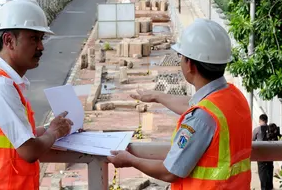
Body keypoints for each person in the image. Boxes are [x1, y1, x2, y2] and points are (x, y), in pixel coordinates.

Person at [107, 19, 253, 189]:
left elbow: (169, 171)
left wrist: (130, 160)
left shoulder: (202, 117)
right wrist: (157, 96)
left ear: (190, 64)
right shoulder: (233, 96)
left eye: (181, 56)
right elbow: (195, 106)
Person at [0, 0, 75, 190]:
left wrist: (51, 128)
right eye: (34, 39)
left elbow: (17, 137)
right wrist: (53, 133)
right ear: (9, 41)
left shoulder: (4, 83)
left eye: (41, 39)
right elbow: (29, 150)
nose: (41, 47)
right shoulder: (0, 87)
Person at [252, 114, 280, 190]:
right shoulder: (272, 129)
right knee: (269, 173)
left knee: (262, 176)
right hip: (270, 156)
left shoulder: (257, 130)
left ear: (260, 121)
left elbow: (252, 141)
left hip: (261, 157)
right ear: (267, 121)